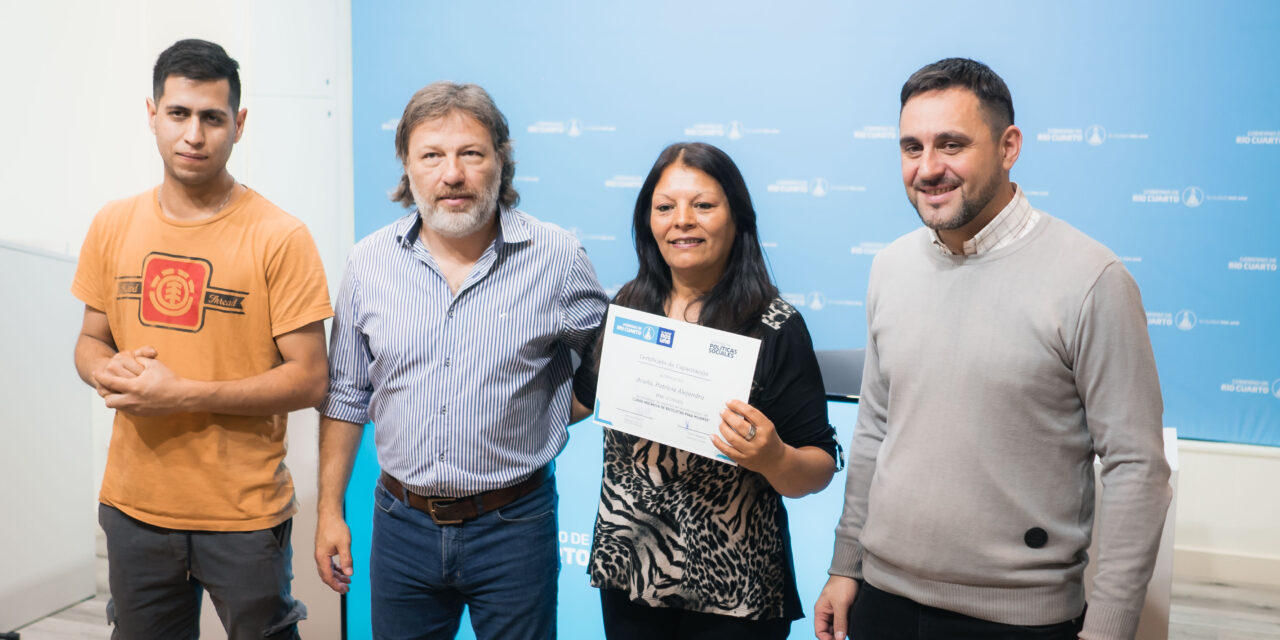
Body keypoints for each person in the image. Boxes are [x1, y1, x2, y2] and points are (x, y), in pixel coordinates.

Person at [814, 58, 1171, 640]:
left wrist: (1108, 629)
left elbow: (1137, 468)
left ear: (1009, 147)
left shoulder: (1093, 279)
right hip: (881, 603)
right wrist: (845, 565)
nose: (928, 169)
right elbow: (875, 430)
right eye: (911, 148)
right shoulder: (890, 267)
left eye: (951, 144)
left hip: (1019, 622)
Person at [314, 81, 608, 639]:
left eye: (471, 153)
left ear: (501, 159)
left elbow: (610, 359)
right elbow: (346, 395)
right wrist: (330, 511)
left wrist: (554, 407)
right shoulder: (369, 262)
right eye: (432, 156)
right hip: (401, 525)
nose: (452, 174)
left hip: (514, 524)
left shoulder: (557, 258)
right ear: (407, 165)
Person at [71, 39, 332, 639]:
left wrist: (183, 392)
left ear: (238, 125)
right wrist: (104, 369)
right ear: (152, 115)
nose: (194, 134)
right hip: (133, 507)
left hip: (242, 513)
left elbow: (310, 377)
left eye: (212, 118)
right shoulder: (114, 222)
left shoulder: (280, 236)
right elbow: (89, 341)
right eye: (179, 114)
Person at [572, 142, 839, 639]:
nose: (683, 220)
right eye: (665, 207)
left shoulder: (775, 326)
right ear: (647, 221)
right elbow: (580, 401)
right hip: (631, 574)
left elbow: (818, 465)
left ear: (737, 217)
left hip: (735, 592)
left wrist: (774, 457)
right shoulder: (626, 309)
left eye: (704, 205)